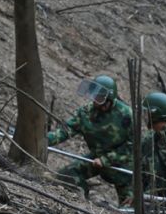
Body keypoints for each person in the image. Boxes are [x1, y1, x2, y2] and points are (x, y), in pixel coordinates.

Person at [47, 74, 134, 204]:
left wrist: (106, 159)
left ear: (109, 98)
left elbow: (132, 147)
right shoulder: (86, 112)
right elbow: (65, 131)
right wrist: (43, 140)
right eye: (93, 95)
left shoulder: (126, 114)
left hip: (122, 167)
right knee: (67, 176)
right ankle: (84, 202)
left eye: (98, 97)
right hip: (95, 159)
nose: (94, 100)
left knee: (129, 207)